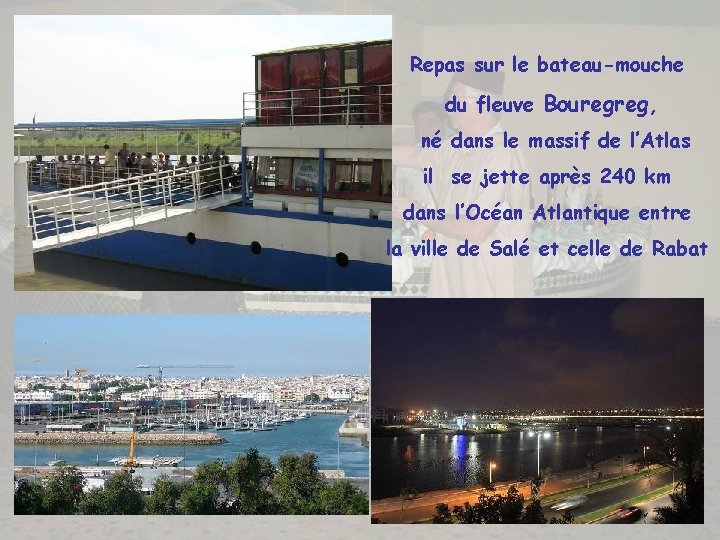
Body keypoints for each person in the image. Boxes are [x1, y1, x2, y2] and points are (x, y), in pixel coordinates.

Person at [394, 70, 532, 297]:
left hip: (489, 288)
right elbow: (413, 155)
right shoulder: (454, 147)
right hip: (453, 281)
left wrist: (419, 213)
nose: (448, 107)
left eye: (455, 98)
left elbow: (477, 229)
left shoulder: (503, 154)